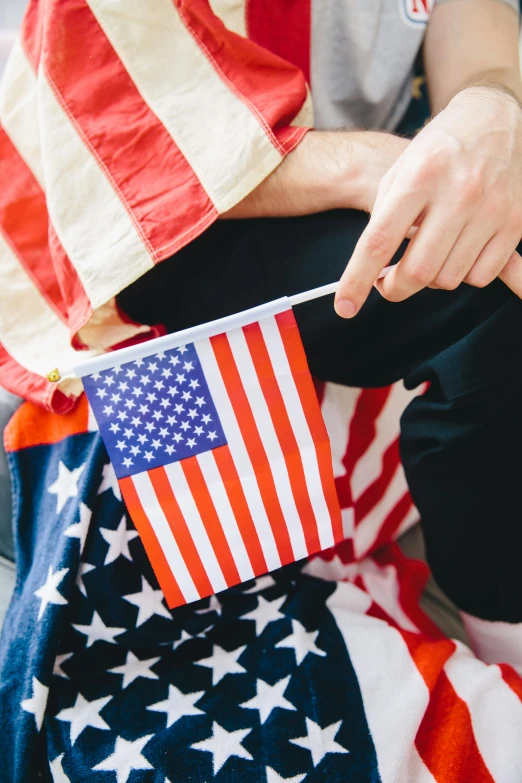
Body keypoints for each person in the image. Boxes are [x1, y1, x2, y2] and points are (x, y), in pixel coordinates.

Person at [1, 0, 522, 780]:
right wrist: (393, 171)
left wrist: (490, 110)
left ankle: (495, 611)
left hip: (354, 157)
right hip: (156, 204)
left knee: (488, 247)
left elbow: (472, 34)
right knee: (480, 299)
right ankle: (504, 619)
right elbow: (129, 121)